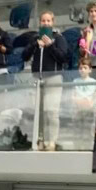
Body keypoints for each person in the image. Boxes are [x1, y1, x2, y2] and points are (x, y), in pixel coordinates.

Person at [25, 11, 68, 151]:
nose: (46, 23)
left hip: (54, 77)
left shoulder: (59, 38)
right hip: (37, 78)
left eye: (48, 21)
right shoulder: (35, 38)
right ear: (40, 23)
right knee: (39, 112)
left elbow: (63, 58)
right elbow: (24, 56)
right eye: (43, 21)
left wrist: (50, 45)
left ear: (52, 22)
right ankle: (40, 139)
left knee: (51, 111)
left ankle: (52, 141)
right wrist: (34, 46)